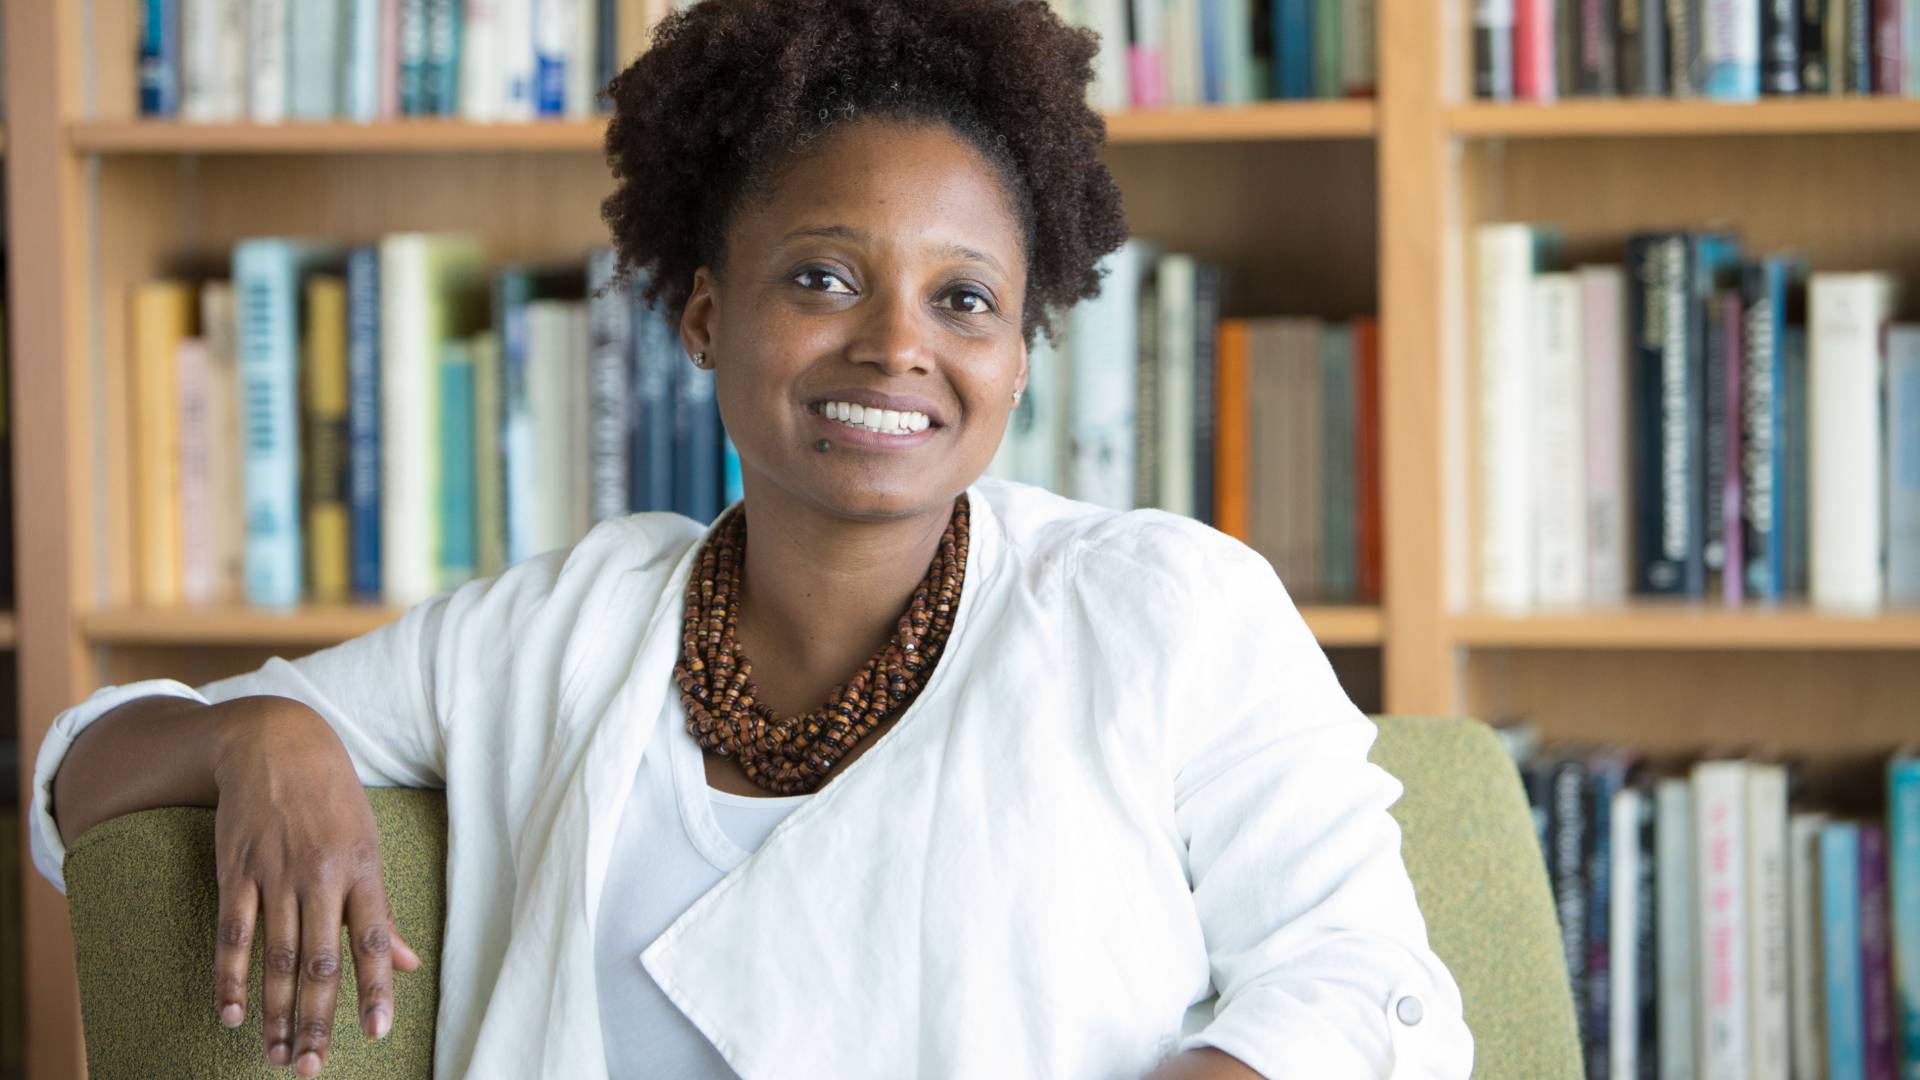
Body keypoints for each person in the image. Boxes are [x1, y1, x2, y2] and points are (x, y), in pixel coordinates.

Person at [29, 0, 1473, 1076]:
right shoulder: (565, 628)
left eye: (964, 300)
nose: (896, 344)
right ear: (707, 316)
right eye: (825, 277)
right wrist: (256, 732)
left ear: (1020, 361)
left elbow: (1364, 980)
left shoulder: (1168, 610)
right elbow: (71, 778)